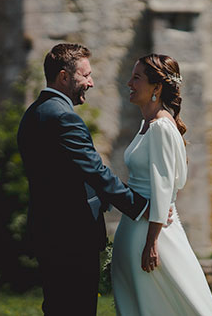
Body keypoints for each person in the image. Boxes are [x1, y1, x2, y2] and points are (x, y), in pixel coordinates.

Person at [17, 43, 149, 316]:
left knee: (58, 307)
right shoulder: (63, 117)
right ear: (64, 77)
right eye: (85, 75)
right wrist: (140, 206)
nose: (91, 82)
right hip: (72, 235)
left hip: (48, 232)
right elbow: (95, 171)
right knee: (77, 307)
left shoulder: (34, 113)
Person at [111, 54, 212, 316]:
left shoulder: (161, 127)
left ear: (156, 88)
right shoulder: (145, 125)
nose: (129, 83)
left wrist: (152, 242)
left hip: (151, 231)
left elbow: (165, 185)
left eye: (136, 78)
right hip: (134, 226)